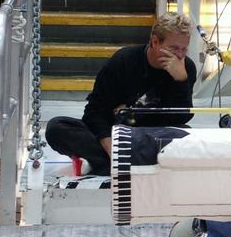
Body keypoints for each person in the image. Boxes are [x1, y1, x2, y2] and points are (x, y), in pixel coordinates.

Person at [46, 12, 197, 176]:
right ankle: (126, 163)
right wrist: (112, 151)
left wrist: (181, 81)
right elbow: (94, 113)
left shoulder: (185, 68)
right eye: (173, 48)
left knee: (185, 136)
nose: (179, 55)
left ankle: (104, 164)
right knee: (57, 127)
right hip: (116, 136)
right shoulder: (124, 61)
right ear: (155, 42)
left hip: (151, 138)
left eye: (184, 49)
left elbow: (180, 118)